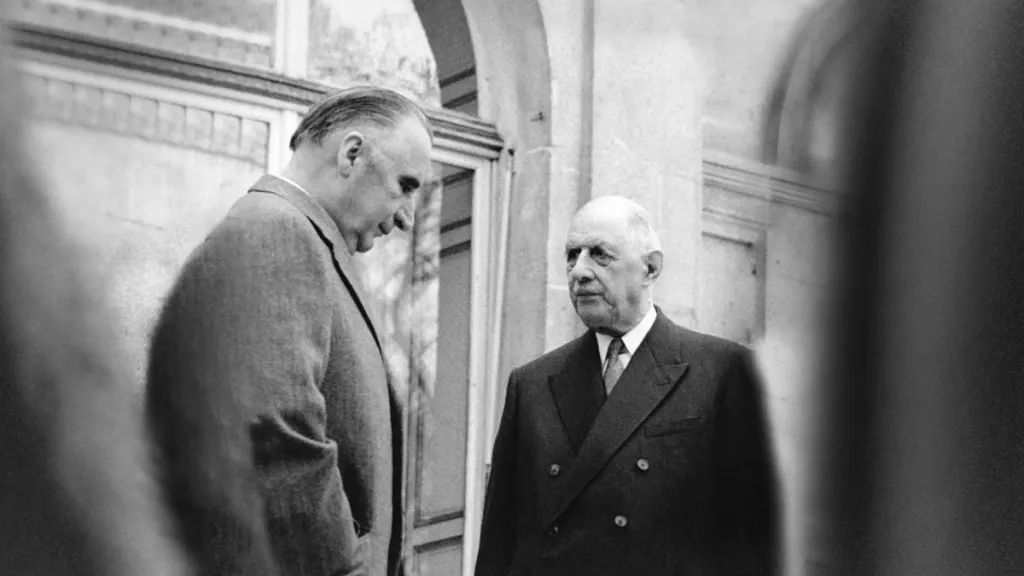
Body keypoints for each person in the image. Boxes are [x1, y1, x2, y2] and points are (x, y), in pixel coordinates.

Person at [146, 86, 434, 576]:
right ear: (352, 153)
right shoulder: (276, 232)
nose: (407, 217)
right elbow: (275, 435)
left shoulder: (293, 237)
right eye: (406, 185)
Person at [475, 196, 780, 575]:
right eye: (572, 255)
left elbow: (757, 541)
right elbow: (499, 548)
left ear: (650, 268)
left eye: (600, 255)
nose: (579, 271)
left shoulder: (723, 371)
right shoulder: (532, 384)